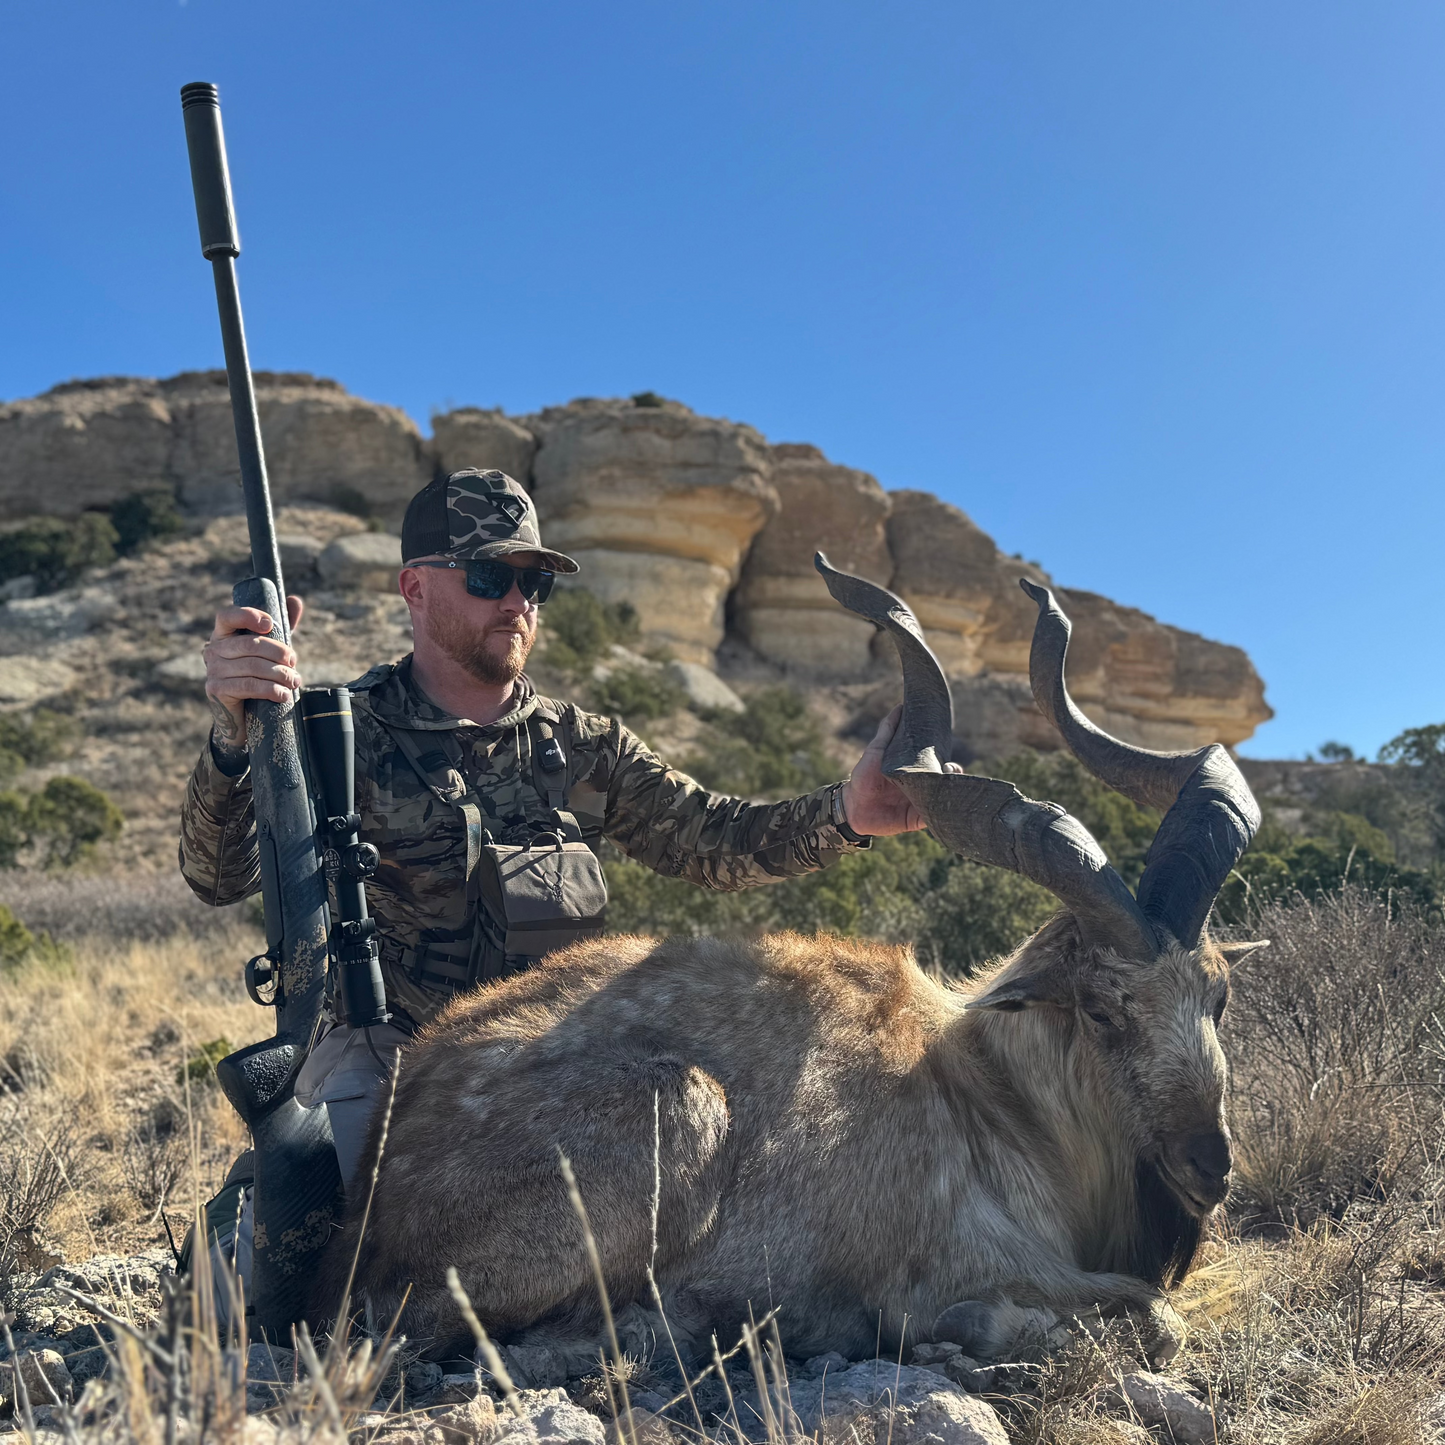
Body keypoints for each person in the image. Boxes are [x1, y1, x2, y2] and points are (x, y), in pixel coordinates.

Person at [180, 468, 946, 1193]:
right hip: (388, 1089)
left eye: (533, 581)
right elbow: (217, 876)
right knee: (310, 1282)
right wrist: (234, 738)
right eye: (487, 577)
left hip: (552, 1077)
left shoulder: (582, 745)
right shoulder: (336, 734)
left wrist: (848, 813)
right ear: (414, 586)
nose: (516, 601)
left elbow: (716, 840)